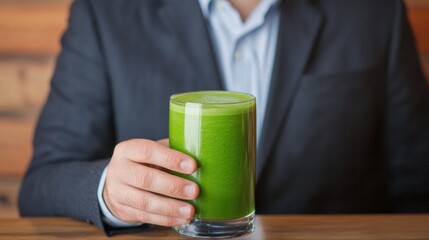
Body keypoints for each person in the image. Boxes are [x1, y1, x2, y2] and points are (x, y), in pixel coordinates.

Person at [19, 0, 429, 236]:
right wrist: (110, 191)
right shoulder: (106, 13)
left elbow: (418, 184)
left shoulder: (373, 12)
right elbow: (41, 185)